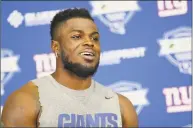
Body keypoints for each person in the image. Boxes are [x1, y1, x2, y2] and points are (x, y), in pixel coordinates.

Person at [1, 8, 138, 127]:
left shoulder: (121, 106)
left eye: (95, 38)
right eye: (77, 36)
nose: (89, 43)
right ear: (56, 47)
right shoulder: (25, 101)